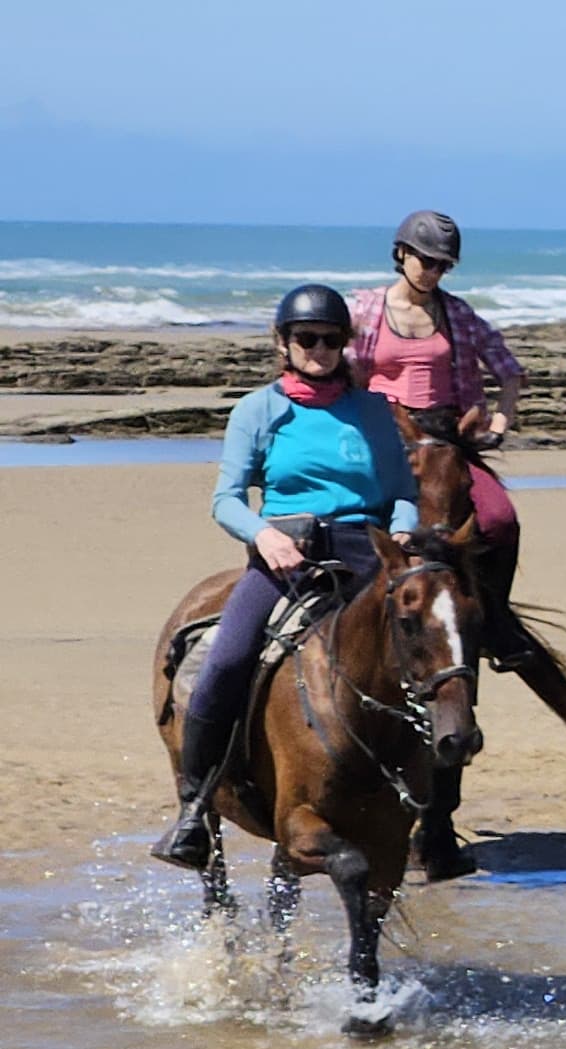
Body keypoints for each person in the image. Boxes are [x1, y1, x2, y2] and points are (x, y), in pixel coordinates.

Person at [156, 285, 423, 868]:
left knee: (431, 655)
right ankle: (194, 808)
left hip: (368, 555)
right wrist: (264, 536)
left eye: (331, 340)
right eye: (307, 339)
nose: (319, 350)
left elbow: (403, 494)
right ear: (283, 343)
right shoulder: (259, 410)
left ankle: (430, 805)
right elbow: (226, 499)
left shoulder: (374, 411)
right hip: (287, 555)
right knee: (226, 660)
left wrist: (403, 531)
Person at [350, 209, 529, 876]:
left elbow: (508, 367)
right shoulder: (366, 309)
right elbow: (336, 368)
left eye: (442, 263)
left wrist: (502, 415)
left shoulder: (459, 316)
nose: (433, 270)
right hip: (382, 444)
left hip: (448, 444)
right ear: (400, 255)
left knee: (500, 519)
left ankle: (498, 624)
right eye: (424, 259)